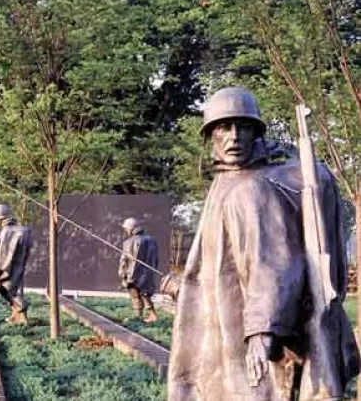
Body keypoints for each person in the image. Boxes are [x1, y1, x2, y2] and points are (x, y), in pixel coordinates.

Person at [167, 87, 360, 399]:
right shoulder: (227, 181)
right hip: (224, 324)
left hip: (248, 330)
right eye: (223, 128)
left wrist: (261, 331)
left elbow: (271, 264)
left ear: (255, 132)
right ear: (210, 136)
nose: (233, 137)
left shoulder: (251, 189)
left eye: (242, 127)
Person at [0, 204, 32, 324]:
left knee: (6, 290)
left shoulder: (7, 231)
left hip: (9, 268)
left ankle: (22, 308)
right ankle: (17, 315)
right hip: (18, 265)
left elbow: (2, 254)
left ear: (1, 218)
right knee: (7, 290)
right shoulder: (21, 230)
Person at [117, 217, 159, 323]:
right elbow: (156, 259)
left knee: (135, 295)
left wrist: (122, 275)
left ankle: (140, 316)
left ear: (131, 228)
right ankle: (148, 315)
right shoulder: (152, 240)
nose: (126, 231)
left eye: (126, 229)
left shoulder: (128, 242)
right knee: (144, 293)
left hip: (132, 274)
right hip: (148, 273)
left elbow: (124, 261)